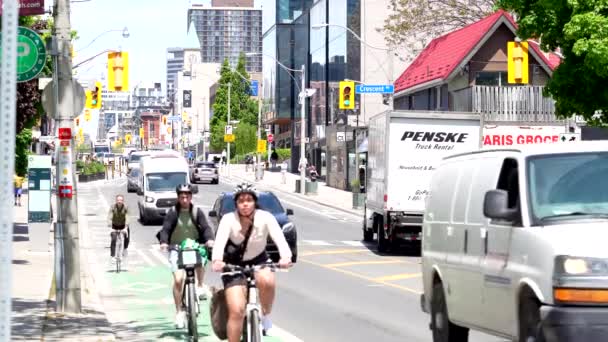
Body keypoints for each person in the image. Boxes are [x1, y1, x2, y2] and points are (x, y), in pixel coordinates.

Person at [211, 182, 292, 341]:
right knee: (236, 311)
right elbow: (219, 242)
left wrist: (285, 257)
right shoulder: (228, 219)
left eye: (249, 200)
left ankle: (265, 315)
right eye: (241, 201)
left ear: (255, 202)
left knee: (267, 280)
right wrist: (217, 260)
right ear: (236, 204)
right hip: (233, 265)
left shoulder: (266, 217)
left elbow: (279, 239)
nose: (245, 204)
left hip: (259, 260)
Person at [159, 184, 215, 329]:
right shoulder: (172, 212)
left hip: (194, 246)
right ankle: (179, 312)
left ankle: (200, 285)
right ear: (178, 197)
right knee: (178, 280)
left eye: (187, 196)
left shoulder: (197, 212)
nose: (185, 199)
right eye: (182, 196)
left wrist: (209, 239)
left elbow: (206, 227)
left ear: (191, 197)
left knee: (201, 259)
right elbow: (165, 229)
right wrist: (164, 242)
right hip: (176, 249)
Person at [107, 195, 130, 262]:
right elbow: (109, 215)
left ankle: (125, 249)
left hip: (123, 225)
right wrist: (109, 223)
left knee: (127, 237)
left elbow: (128, 216)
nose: (119, 201)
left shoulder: (126, 207)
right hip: (114, 225)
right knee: (113, 238)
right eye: (118, 200)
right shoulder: (113, 207)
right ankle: (113, 256)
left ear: (123, 201)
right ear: (116, 201)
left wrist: (126, 225)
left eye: (121, 200)